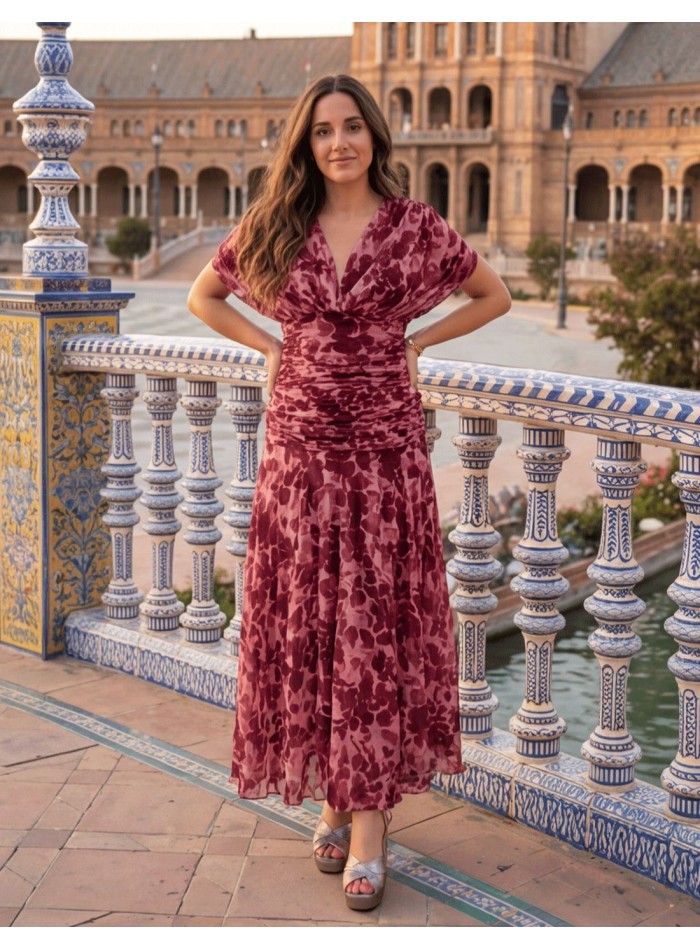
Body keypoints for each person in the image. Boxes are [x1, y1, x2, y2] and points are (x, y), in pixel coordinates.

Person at [188, 73, 511, 912]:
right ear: (306, 143)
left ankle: (369, 827)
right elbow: (205, 294)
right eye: (324, 131)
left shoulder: (411, 229)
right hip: (298, 453)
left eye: (352, 128)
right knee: (316, 624)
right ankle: (334, 795)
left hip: (383, 454)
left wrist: (416, 340)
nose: (339, 143)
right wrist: (268, 347)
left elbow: (492, 294)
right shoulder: (277, 224)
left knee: (371, 629)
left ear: (375, 136)